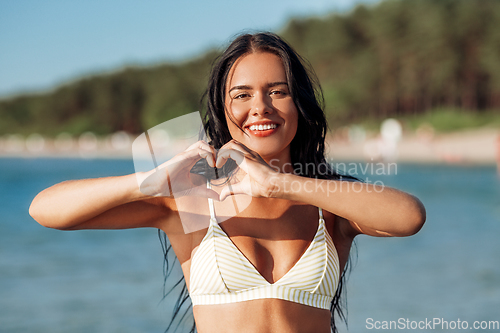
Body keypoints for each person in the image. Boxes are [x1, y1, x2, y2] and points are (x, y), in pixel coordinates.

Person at [29, 32, 426, 333]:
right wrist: (144, 182)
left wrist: (282, 185)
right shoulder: (192, 198)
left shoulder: (327, 203)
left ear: (299, 103)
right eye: (242, 95)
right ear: (223, 108)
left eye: (278, 91)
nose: (261, 108)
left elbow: (409, 217)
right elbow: (46, 211)